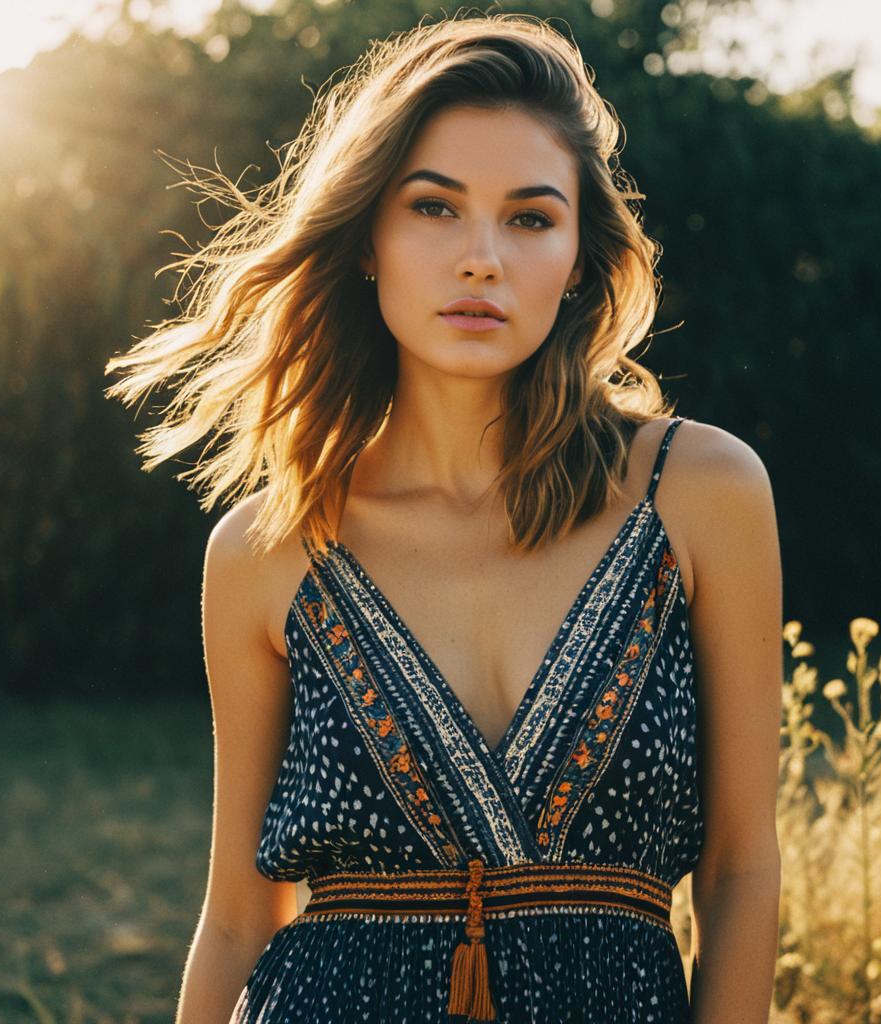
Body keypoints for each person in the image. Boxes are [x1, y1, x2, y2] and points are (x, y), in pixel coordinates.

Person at [105, 11, 783, 1023]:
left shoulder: (697, 491)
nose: (481, 259)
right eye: (433, 207)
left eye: (530, 218)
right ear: (367, 240)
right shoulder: (268, 547)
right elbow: (241, 917)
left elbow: (740, 869)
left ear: (580, 258)